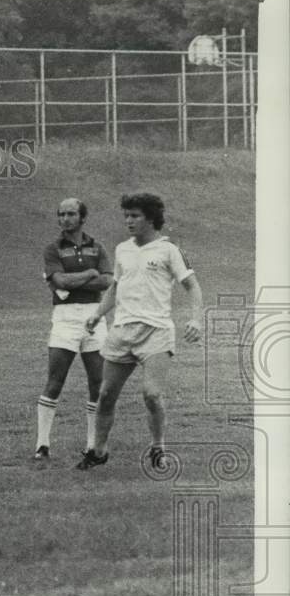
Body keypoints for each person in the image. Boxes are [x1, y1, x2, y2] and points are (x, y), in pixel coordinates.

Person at [76, 193, 202, 471]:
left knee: (151, 394)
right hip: (122, 332)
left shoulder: (169, 250)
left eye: (135, 216)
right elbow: (116, 287)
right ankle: (99, 451)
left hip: (156, 333)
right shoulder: (123, 249)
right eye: (126, 216)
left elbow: (192, 286)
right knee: (106, 394)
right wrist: (98, 314)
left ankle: (158, 448)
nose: (129, 221)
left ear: (151, 218)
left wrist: (196, 319)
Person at [35, 197, 114, 461]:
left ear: (82, 218)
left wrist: (78, 281)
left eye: (70, 214)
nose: (65, 218)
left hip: (95, 315)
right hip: (65, 318)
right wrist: (90, 274)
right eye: (61, 214)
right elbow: (60, 280)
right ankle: (42, 444)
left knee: (98, 382)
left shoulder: (97, 247)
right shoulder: (53, 248)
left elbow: (107, 282)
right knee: (55, 380)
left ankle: (92, 445)